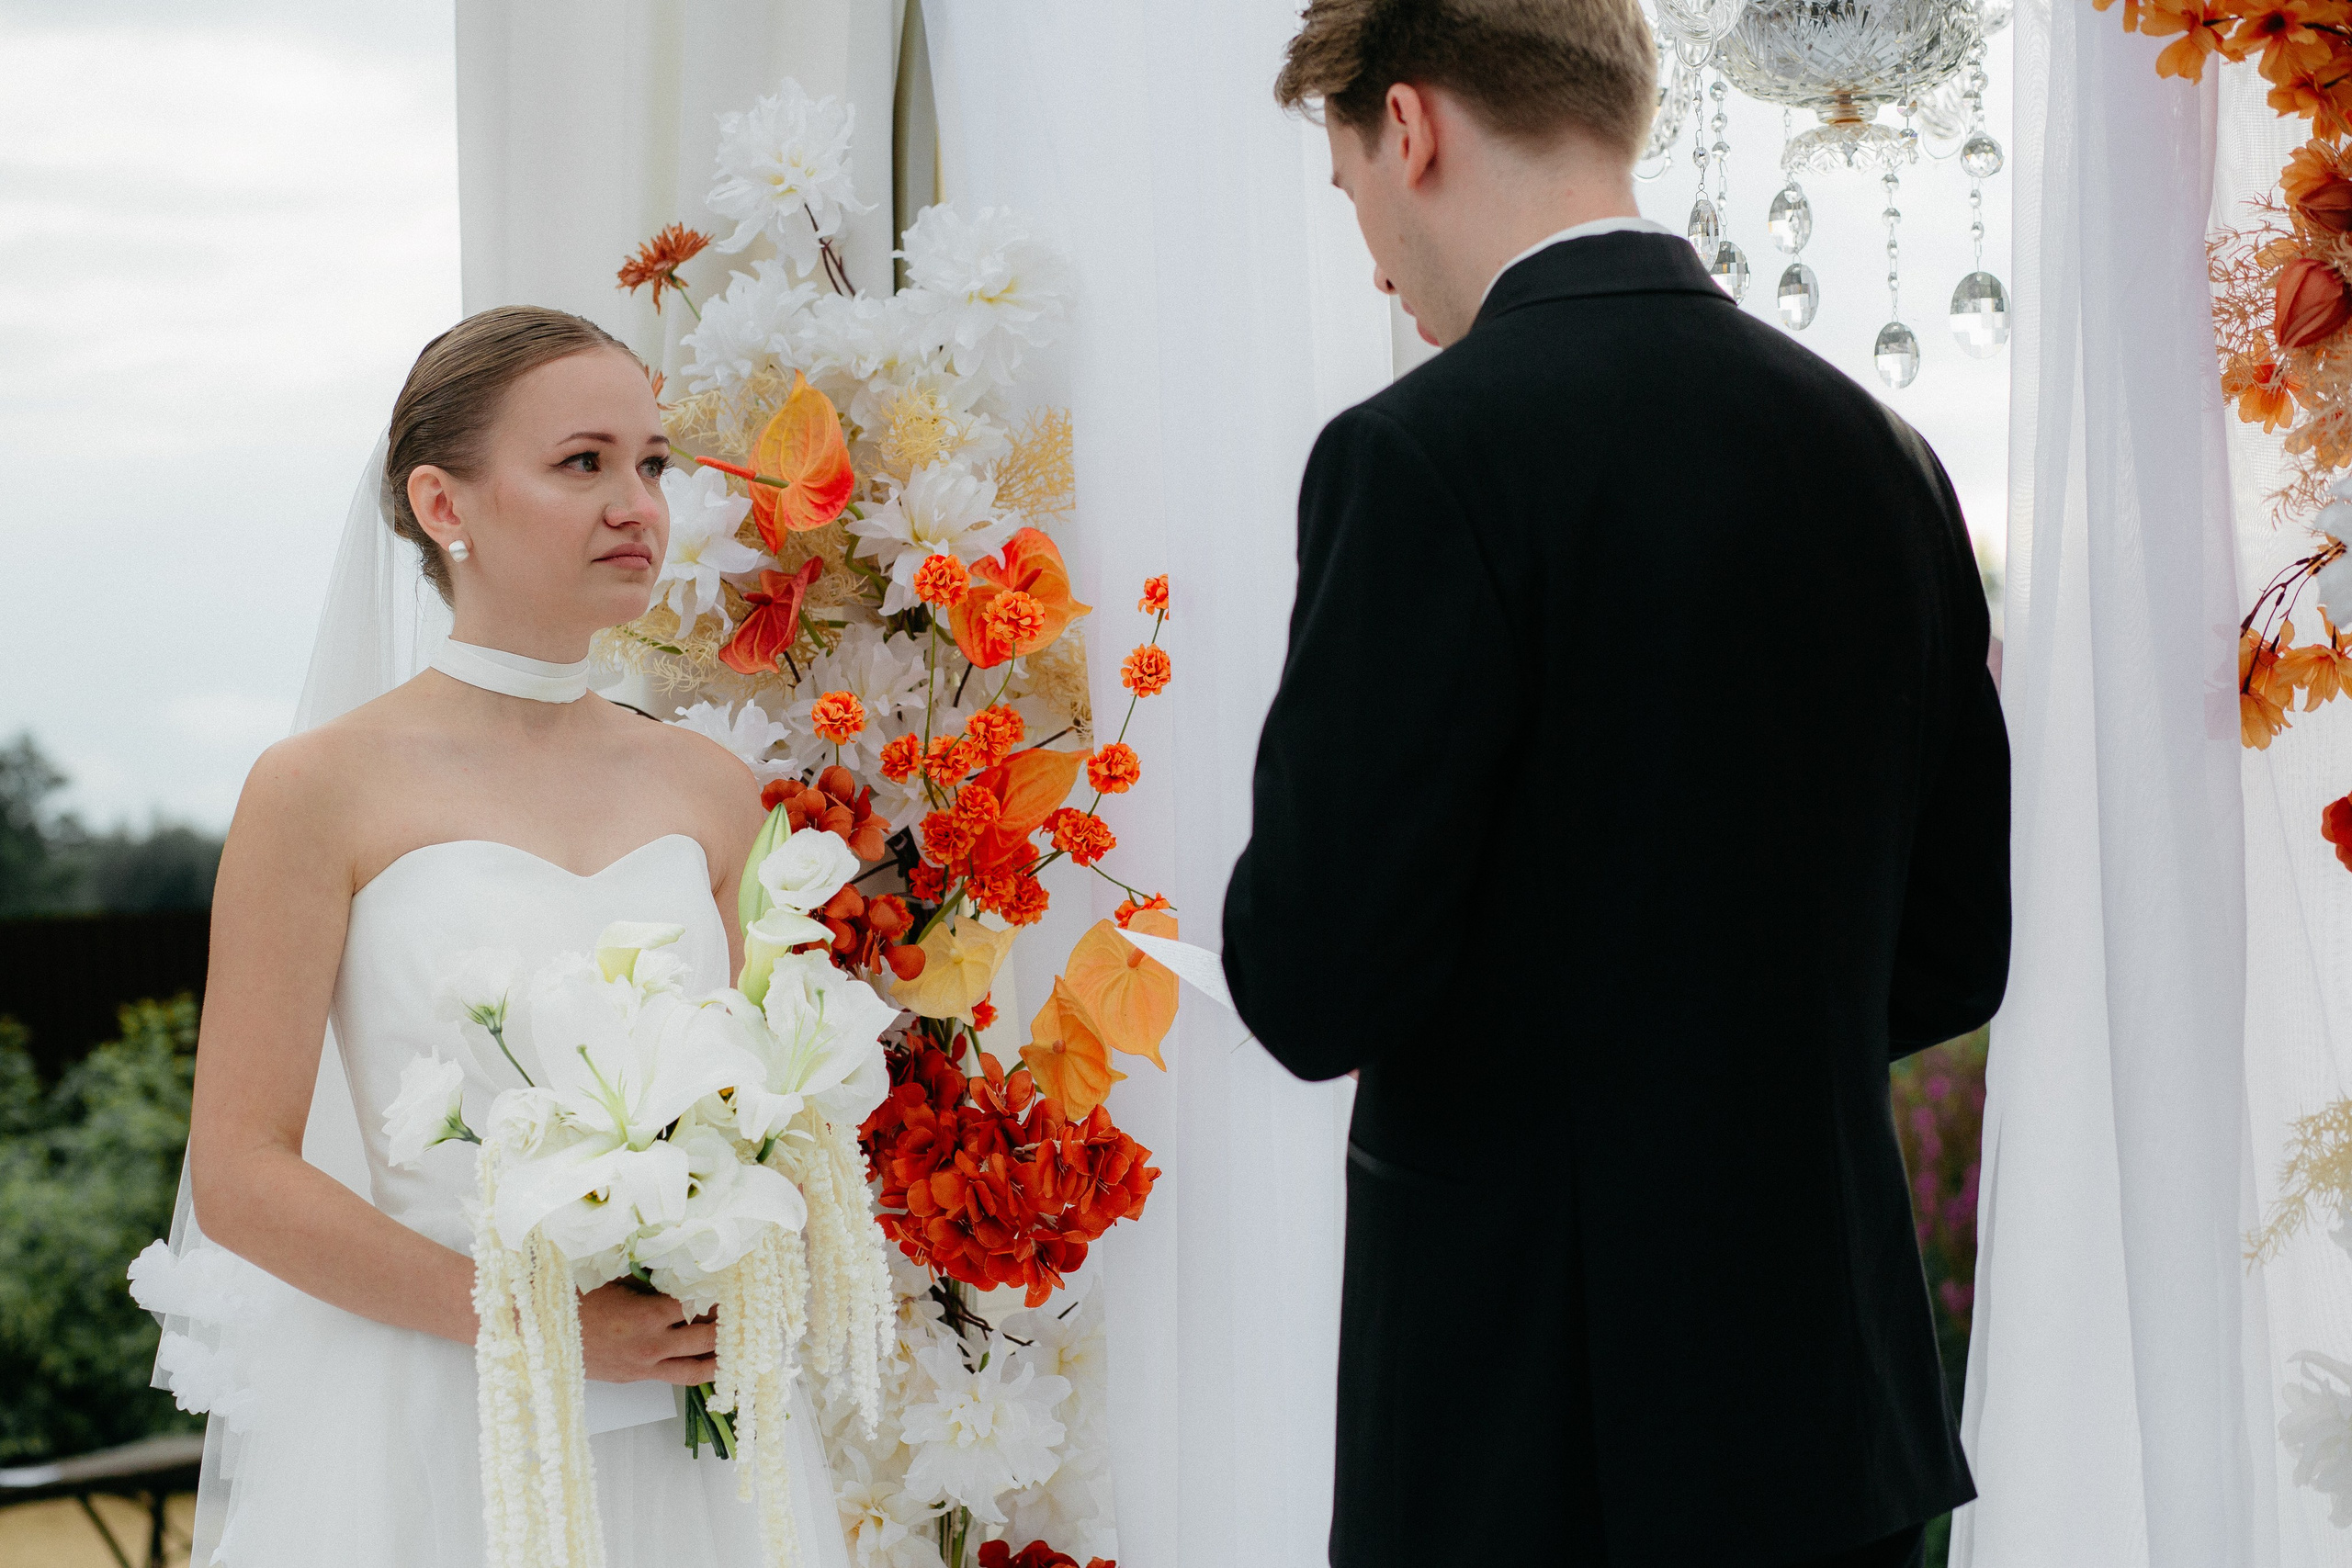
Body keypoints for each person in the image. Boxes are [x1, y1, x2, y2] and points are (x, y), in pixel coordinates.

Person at [1223, 3, 2011, 1565]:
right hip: (1827, 1415)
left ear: (1411, 128)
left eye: (1349, 191)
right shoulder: (1886, 454)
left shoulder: (1417, 457)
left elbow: (1314, 984)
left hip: (1522, 1422)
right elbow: (1950, 954)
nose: (1374, 253)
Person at [158, 307, 848, 1567]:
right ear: (444, 504)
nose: (637, 502)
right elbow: (241, 1174)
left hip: (691, 1433)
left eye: (653, 462)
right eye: (583, 462)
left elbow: (787, 1099)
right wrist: (542, 1323)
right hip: (431, 1429)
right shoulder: (318, 788)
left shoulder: (711, 789)